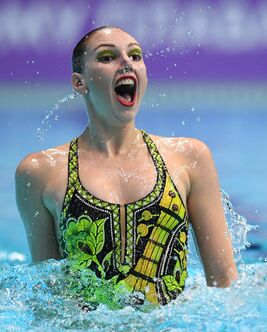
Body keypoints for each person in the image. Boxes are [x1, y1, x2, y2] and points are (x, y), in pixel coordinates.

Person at [15, 26, 238, 305]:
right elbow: (48, 291)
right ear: (79, 82)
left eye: (135, 55)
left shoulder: (189, 157)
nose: (126, 63)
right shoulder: (39, 172)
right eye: (107, 57)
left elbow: (225, 285)